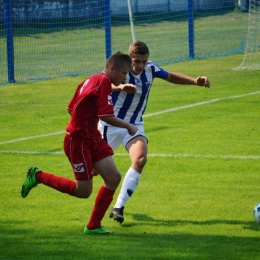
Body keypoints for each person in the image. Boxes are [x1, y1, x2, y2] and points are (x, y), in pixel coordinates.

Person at [21, 51, 138, 234]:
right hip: (79, 142)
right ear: (111, 68)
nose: (125, 77)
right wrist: (128, 126)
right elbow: (106, 115)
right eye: (123, 73)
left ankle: (93, 226)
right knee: (83, 191)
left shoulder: (92, 80)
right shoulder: (104, 82)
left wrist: (119, 87)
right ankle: (37, 176)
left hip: (92, 138)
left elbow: (71, 107)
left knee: (113, 177)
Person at [98, 40, 211, 224]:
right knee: (95, 172)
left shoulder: (151, 69)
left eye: (143, 61)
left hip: (134, 125)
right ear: (129, 58)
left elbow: (171, 76)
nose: (139, 65)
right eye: (135, 61)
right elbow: (102, 84)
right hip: (111, 124)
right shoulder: (120, 70)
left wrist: (194, 81)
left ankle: (118, 207)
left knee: (140, 159)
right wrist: (120, 87)